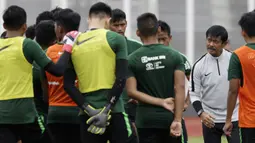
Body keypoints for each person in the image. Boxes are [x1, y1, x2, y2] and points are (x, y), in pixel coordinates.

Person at [63, 2, 137, 143]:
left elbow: (68, 85)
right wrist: (106, 110)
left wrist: (89, 110)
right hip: (115, 110)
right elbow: (121, 78)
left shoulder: (74, 42)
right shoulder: (116, 39)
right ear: (108, 20)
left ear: (88, 19)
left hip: (87, 115)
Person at [0, 5, 73, 143]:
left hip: (2, 115)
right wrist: (67, 49)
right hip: (24, 113)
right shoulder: (27, 45)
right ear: (24, 27)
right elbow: (57, 71)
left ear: (4, 25)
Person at [126, 12, 185, 143]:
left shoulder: (131, 59)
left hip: (145, 120)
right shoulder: (175, 56)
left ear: (137, 32)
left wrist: (160, 101)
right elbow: (179, 87)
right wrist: (178, 120)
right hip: (169, 119)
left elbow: (131, 92)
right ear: (158, 30)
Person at [190, 25, 240, 143]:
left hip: (234, 117)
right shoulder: (198, 65)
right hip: (210, 120)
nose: (211, 44)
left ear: (224, 43)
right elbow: (193, 93)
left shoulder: (235, 60)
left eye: (216, 41)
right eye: (209, 40)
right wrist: (201, 113)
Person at [43, 9, 82, 143]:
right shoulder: (84, 49)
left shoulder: (48, 52)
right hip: (80, 111)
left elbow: (44, 91)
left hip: (55, 113)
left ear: (59, 29)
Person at [109, 8, 142, 138]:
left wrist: (140, 94)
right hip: (110, 104)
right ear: (108, 24)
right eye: (115, 25)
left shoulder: (137, 47)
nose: (119, 29)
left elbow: (144, 74)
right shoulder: (102, 47)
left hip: (132, 106)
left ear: (126, 24)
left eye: (122, 25)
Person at [224, 11, 255, 143]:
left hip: (249, 120)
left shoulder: (237, 56)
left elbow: (233, 90)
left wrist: (228, 119)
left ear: (243, 32)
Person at [158, 20, 191, 143]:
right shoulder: (146, 58)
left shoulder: (180, 58)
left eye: (163, 39)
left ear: (170, 38)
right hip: (153, 114)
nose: (161, 43)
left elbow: (190, 82)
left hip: (174, 114)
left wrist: (186, 102)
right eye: (157, 39)